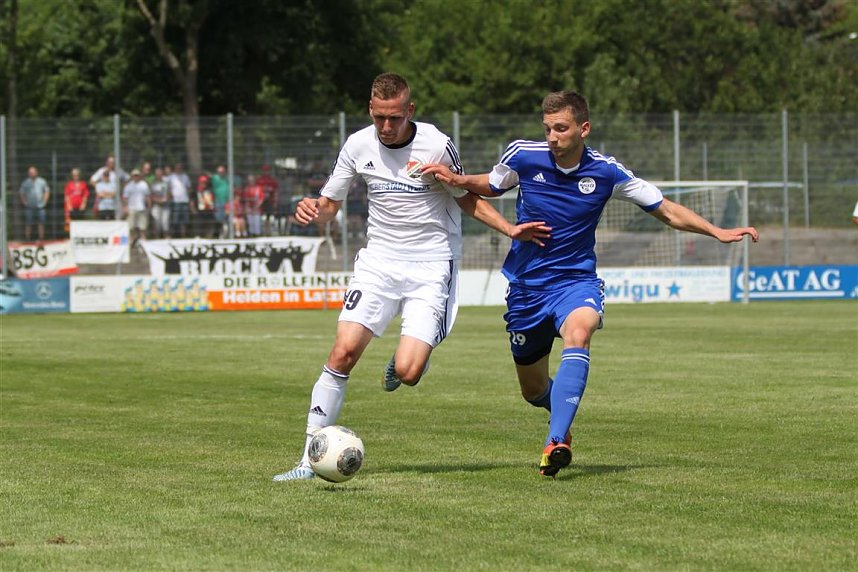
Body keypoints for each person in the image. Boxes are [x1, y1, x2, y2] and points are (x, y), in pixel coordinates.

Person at [423, 90, 760, 478]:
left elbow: (665, 209)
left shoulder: (606, 172)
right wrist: (459, 179)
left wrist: (717, 231)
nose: (552, 137)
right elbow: (491, 184)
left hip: (576, 281)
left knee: (579, 332)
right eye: (547, 129)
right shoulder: (523, 155)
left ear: (583, 129)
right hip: (527, 288)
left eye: (561, 128)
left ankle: (555, 443)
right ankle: (560, 417)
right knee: (533, 391)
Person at [272, 72, 549, 482]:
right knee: (342, 352)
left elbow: (466, 196)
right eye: (380, 117)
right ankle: (306, 459)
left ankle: (408, 358)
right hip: (379, 263)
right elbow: (329, 205)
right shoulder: (357, 145)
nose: (386, 126)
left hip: (431, 265)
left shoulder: (436, 144)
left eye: (395, 117)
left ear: (410, 110)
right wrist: (313, 208)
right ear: (370, 110)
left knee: (408, 372)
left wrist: (509, 229)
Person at [19, 166, 50, 241]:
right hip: (29, 206)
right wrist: (24, 202)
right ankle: (27, 239)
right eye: (30, 172)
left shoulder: (42, 181)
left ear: (36, 172)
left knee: (41, 223)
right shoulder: (25, 182)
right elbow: (21, 192)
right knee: (28, 223)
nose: (32, 174)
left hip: (40, 206)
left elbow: (47, 191)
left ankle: (41, 239)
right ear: (28, 173)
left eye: (33, 172)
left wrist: (45, 201)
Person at [123, 168, 152, 247]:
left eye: (137, 175)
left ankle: (144, 244)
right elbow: (125, 198)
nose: (136, 177)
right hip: (131, 208)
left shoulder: (144, 185)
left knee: (142, 228)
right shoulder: (128, 186)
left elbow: (148, 196)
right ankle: (131, 244)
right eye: (134, 175)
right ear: (132, 176)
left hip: (142, 208)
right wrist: (125, 207)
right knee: (131, 228)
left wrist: (149, 206)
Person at [168, 162, 192, 238]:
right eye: (177, 168)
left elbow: (189, 188)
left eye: (180, 168)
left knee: (184, 220)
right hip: (175, 201)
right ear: (175, 168)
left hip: (184, 201)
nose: (179, 169)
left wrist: (189, 199)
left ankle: (183, 236)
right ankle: (173, 236)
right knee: (175, 220)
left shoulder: (185, 177)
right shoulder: (171, 177)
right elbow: (168, 188)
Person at [257, 164, 279, 235]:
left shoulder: (272, 180)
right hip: (262, 201)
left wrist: (275, 201)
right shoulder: (260, 180)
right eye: (265, 171)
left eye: (267, 171)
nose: (266, 172)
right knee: (263, 217)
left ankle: (269, 231)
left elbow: (276, 191)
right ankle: (263, 231)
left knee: (270, 217)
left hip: (270, 201)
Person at [150, 168, 171, 238]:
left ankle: (166, 238)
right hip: (156, 205)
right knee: (156, 223)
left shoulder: (166, 183)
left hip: (165, 205)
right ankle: (157, 238)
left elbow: (169, 193)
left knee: (165, 222)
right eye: (157, 174)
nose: (159, 175)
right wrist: (157, 200)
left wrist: (165, 199)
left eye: (160, 174)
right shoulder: (153, 184)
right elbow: (150, 195)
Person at [211, 165, 230, 238]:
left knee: (226, 218)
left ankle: (226, 235)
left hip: (227, 201)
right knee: (218, 219)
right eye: (219, 172)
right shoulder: (215, 178)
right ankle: (219, 235)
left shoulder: (227, 179)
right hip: (218, 201)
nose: (220, 173)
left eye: (222, 172)